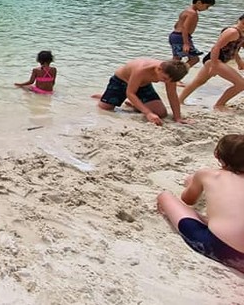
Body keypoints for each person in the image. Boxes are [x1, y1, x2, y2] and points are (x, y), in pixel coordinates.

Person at [156, 134, 244, 273]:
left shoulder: (207, 174)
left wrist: (194, 182)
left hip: (223, 248)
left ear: (216, 154)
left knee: (165, 197)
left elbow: (188, 200)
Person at [94, 58, 188, 125]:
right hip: (121, 81)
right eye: (164, 79)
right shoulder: (141, 70)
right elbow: (130, 93)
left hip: (143, 85)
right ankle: (104, 97)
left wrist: (177, 117)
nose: (166, 82)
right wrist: (148, 113)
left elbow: (172, 95)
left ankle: (134, 104)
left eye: (170, 81)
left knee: (161, 113)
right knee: (105, 108)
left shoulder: (171, 75)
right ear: (159, 69)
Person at [178, 15, 244, 111]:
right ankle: (219, 105)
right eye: (243, 23)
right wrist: (214, 66)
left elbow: (234, 48)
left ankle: (179, 100)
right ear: (239, 20)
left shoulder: (241, 33)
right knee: (241, 84)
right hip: (215, 60)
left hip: (215, 60)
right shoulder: (232, 31)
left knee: (198, 81)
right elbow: (216, 48)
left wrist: (239, 61)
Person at [169, 0, 215, 67]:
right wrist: (186, 43)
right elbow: (185, 28)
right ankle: (177, 73)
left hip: (174, 36)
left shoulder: (186, 11)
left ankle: (169, 74)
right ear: (199, 2)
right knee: (194, 59)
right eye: (207, 6)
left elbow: (176, 25)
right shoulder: (192, 13)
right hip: (181, 37)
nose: (207, 9)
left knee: (176, 58)